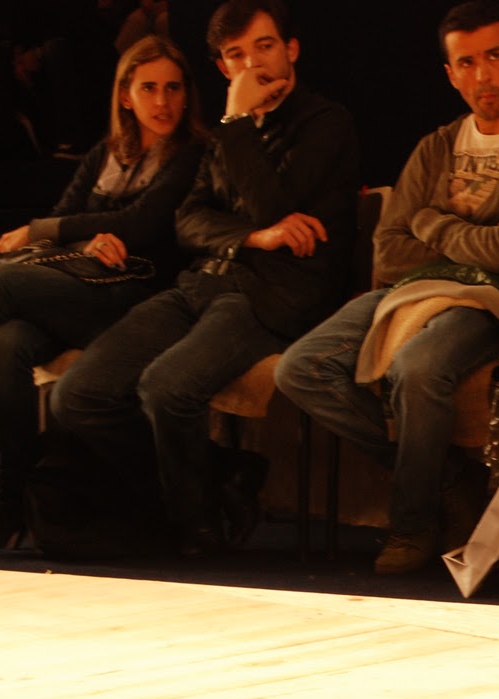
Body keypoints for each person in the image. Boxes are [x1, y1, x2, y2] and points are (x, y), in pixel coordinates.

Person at [275, 2, 499, 575]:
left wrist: (431, 222)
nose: (483, 75)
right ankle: (446, 477)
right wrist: (471, 238)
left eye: (494, 56)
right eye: (466, 63)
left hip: (491, 299)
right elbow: (389, 252)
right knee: (299, 368)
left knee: (417, 368)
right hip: (410, 292)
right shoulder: (436, 146)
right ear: (450, 74)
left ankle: (411, 524)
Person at [50, 0, 359, 557]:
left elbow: (273, 203)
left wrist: (238, 126)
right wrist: (253, 237)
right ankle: (217, 481)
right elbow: (188, 223)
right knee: (77, 394)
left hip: (272, 296)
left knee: (165, 386)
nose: (252, 65)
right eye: (236, 55)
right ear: (221, 66)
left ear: (291, 49)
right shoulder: (223, 135)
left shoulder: (325, 123)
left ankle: (194, 528)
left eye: (264, 47)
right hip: (202, 282)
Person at [0, 33, 207, 549]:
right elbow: (67, 218)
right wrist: (88, 238)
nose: (162, 101)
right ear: (125, 95)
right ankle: (10, 502)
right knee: (5, 342)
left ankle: (17, 502)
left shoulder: (193, 154)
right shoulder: (105, 153)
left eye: (173, 88)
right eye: (148, 88)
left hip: (141, 298)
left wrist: (46, 231)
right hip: (79, 288)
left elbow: (142, 224)